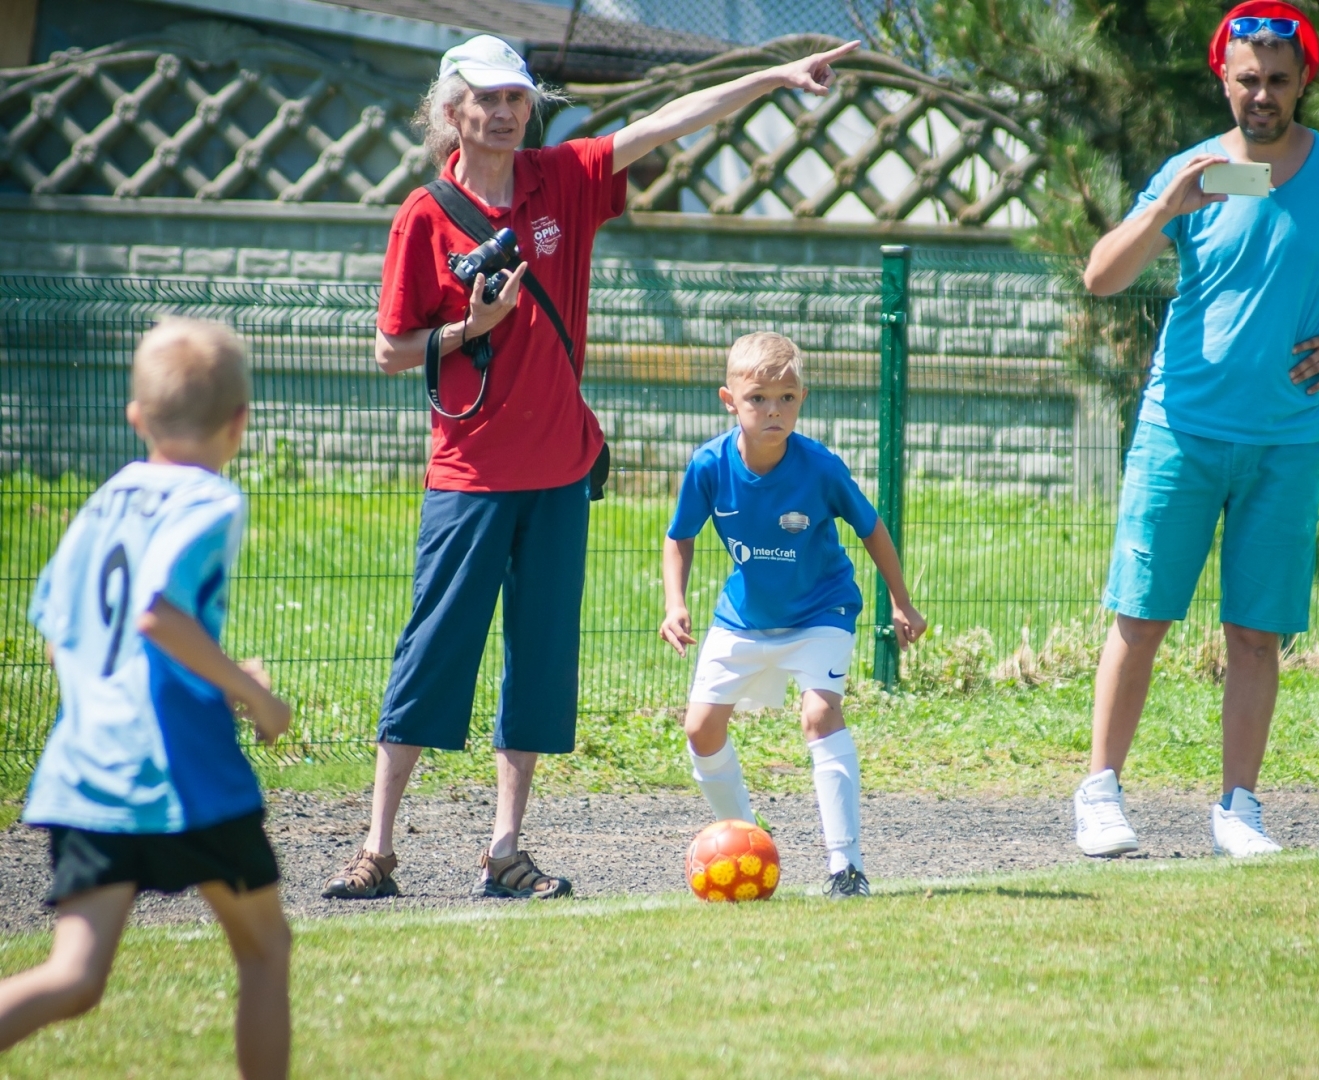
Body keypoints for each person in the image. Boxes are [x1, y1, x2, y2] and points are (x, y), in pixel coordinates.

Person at [323, 35, 864, 901]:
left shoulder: (562, 181)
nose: (504, 112)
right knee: (432, 655)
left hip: (559, 474)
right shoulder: (423, 215)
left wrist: (769, 76)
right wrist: (473, 329)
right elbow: (392, 350)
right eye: (486, 99)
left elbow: (664, 122)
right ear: (451, 111)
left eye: (516, 98)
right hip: (468, 476)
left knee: (538, 664)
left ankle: (506, 851)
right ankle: (376, 850)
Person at [1073, 1, 1319, 858]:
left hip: (1284, 440)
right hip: (1180, 429)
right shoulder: (1197, 170)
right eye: (1248, 79)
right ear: (1225, 79)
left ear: (1303, 80)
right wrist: (1165, 206)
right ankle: (1099, 795)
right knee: (1141, 616)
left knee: (1255, 631)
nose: (1263, 95)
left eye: (1279, 80)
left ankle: (1238, 810)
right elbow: (1101, 278)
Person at [0, 318, 293, 1079]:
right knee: (265, 949)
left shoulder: (102, 503)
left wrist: (111, 701)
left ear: (136, 417)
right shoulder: (210, 500)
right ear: (241, 422)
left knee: (74, 979)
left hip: (87, 773)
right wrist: (249, 694)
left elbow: (58, 629)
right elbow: (158, 612)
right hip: (183, 773)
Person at [659, 332, 926, 898]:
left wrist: (901, 601)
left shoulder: (821, 467)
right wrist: (675, 603)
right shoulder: (709, 465)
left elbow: (872, 530)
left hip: (820, 611)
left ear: (802, 398)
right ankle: (746, 840)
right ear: (729, 400)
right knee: (700, 729)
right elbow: (678, 537)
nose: (773, 410)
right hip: (743, 618)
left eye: (786, 398)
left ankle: (845, 868)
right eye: (758, 399)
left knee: (818, 716)